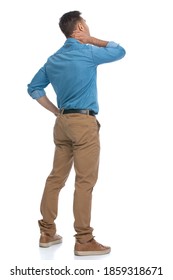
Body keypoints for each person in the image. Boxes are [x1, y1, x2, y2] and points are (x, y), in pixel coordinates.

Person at [27, 10, 126, 256]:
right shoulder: (88, 51)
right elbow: (119, 50)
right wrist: (91, 40)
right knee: (84, 182)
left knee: (55, 178)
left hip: (62, 124)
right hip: (84, 123)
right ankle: (84, 239)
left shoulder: (53, 60)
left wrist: (55, 112)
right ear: (79, 27)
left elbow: (34, 88)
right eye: (86, 26)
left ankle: (47, 233)